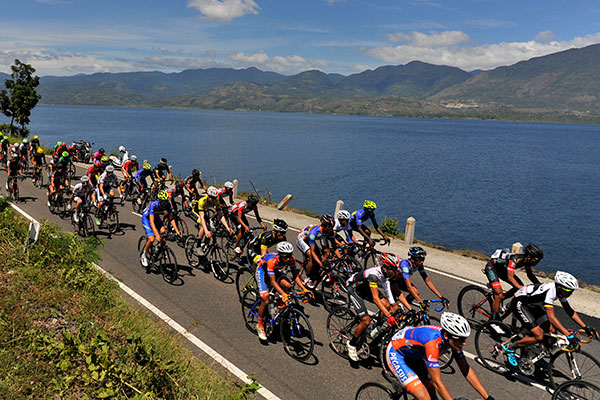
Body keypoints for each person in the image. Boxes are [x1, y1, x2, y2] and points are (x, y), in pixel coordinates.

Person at [385, 312, 498, 400]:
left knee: (433, 395)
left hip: (415, 355)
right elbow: (437, 382)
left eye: (464, 339)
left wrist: (487, 397)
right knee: (425, 398)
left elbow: (466, 369)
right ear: (446, 335)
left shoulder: (453, 342)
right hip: (397, 353)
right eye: (460, 339)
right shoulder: (432, 343)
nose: (464, 343)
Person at [501, 271, 599, 367]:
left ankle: (535, 356)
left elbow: (569, 311)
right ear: (560, 287)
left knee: (552, 332)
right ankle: (510, 348)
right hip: (520, 304)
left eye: (572, 291)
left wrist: (585, 327)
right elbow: (551, 317)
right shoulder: (550, 292)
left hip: (533, 305)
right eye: (569, 291)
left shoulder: (560, 292)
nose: (570, 294)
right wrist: (567, 334)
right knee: (539, 336)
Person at [345, 253, 411, 362]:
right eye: (393, 269)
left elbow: (392, 296)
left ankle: (375, 327)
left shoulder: (388, 276)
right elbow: (376, 299)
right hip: (354, 289)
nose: (395, 272)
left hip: (366, 288)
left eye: (396, 269)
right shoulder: (374, 275)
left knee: (387, 305)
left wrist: (406, 309)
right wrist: (389, 316)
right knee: (366, 320)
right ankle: (352, 344)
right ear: (385, 268)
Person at [254, 241, 312, 341]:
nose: (288, 258)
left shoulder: (291, 259)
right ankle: (259, 325)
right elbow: (273, 281)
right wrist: (283, 294)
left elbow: (295, 276)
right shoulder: (272, 260)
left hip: (275, 270)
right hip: (262, 271)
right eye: (286, 256)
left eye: (290, 255)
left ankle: (277, 303)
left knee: (288, 285)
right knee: (265, 300)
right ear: (280, 255)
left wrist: (304, 289)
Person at [485, 242, 544, 320]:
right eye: (536, 259)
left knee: (518, 287)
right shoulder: (515, 259)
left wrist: (540, 286)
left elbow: (530, 275)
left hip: (502, 269)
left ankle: (500, 299)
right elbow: (510, 277)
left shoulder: (527, 261)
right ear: (529, 256)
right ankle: (493, 320)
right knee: (499, 294)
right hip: (492, 268)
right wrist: (522, 288)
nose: (537, 262)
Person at [391, 246, 449, 310]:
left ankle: (403, 304)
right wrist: (420, 302)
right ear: (413, 259)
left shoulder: (419, 265)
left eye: (423, 259)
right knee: (394, 308)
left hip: (400, 280)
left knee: (416, 292)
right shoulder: (405, 265)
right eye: (420, 259)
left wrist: (441, 297)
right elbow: (409, 287)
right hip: (392, 282)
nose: (422, 262)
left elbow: (427, 280)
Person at [140, 190, 182, 267]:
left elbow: (171, 219)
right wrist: (156, 234)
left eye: (166, 201)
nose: (165, 203)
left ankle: (159, 249)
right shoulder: (153, 204)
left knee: (163, 231)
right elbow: (151, 222)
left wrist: (177, 231)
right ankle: (144, 254)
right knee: (152, 239)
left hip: (156, 218)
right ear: (159, 200)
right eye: (163, 202)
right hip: (147, 219)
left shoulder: (168, 204)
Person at [296, 214, 337, 287]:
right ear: (324, 226)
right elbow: (312, 251)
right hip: (302, 240)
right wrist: (321, 264)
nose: (331, 229)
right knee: (311, 256)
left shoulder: (329, 231)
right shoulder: (314, 232)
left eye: (332, 227)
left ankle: (318, 271)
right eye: (329, 227)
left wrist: (341, 258)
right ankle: (307, 278)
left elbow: (334, 246)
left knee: (325, 253)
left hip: (310, 240)